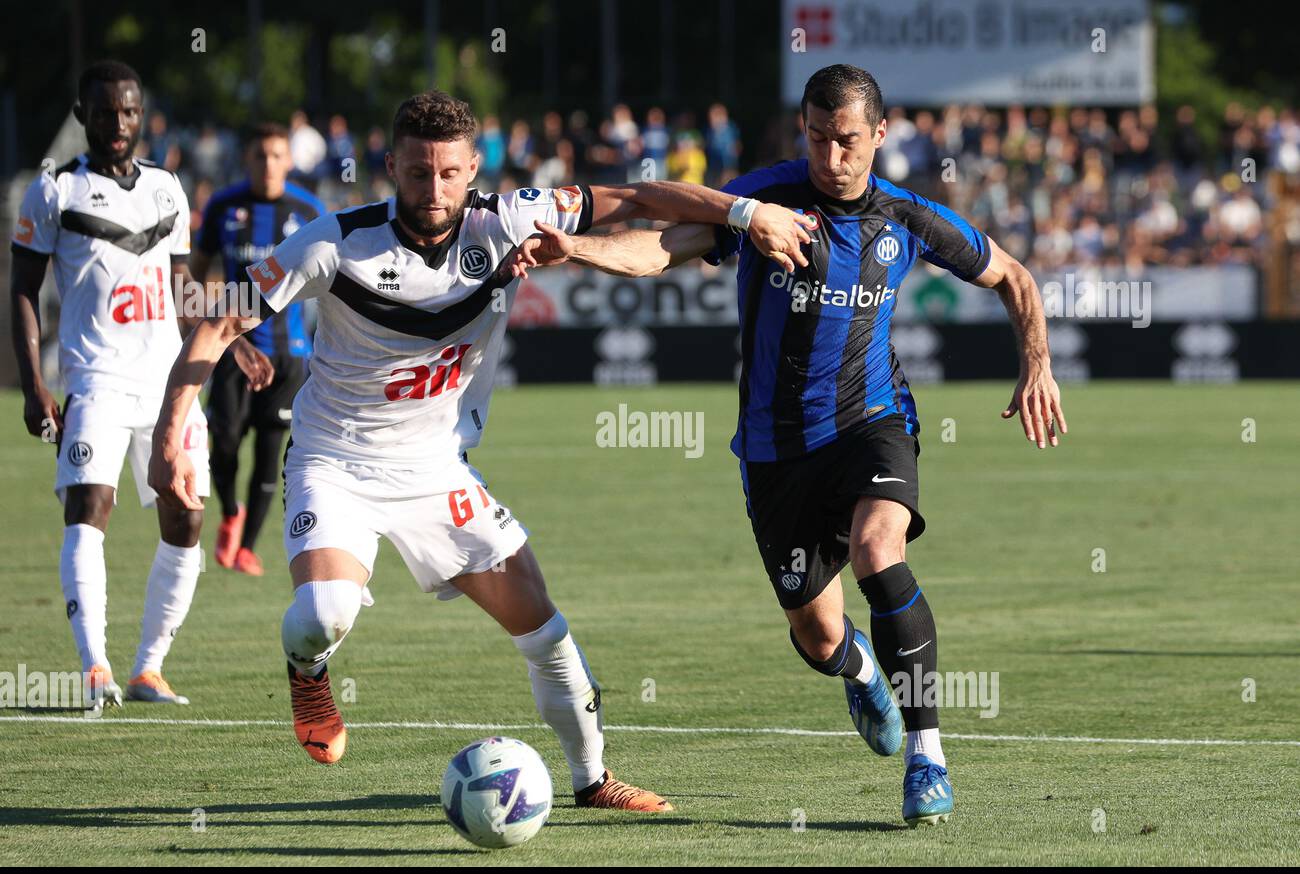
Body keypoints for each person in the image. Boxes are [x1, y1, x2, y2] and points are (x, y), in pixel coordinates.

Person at [148, 90, 813, 809]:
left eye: (447, 174)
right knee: (322, 616)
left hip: (436, 470)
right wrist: (170, 439)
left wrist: (747, 213)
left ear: (472, 171)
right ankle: (307, 671)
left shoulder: (510, 218)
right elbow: (216, 324)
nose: (430, 190)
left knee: (545, 628)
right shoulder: (331, 242)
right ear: (391, 167)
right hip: (334, 463)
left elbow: (635, 197)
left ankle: (592, 781)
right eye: (414, 172)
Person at [510, 64, 1068, 826]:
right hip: (775, 453)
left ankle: (928, 755)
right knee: (816, 634)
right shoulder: (764, 200)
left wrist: (1037, 364)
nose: (830, 157)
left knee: (880, 552)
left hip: (874, 422)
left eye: (846, 141)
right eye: (815, 138)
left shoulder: (907, 217)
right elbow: (655, 246)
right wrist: (576, 249)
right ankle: (860, 667)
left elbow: (1014, 276)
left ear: (878, 134)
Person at [9, 60, 270, 708]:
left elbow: (183, 286)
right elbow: (20, 290)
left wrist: (230, 338)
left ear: (140, 112)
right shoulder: (52, 193)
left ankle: (147, 668)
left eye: (128, 111)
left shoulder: (166, 189)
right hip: (94, 377)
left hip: (168, 382)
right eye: (104, 112)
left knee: (186, 519)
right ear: (82, 116)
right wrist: (32, 385)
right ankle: (93, 667)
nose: (118, 124)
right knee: (88, 508)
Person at [190, 122, 326, 576]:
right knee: (224, 442)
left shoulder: (309, 211)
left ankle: (246, 548)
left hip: (289, 357)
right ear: (246, 160)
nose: (268, 164)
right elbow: (191, 274)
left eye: (275, 156)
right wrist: (214, 322)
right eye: (259, 155)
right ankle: (231, 511)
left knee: (271, 451)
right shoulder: (224, 206)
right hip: (233, 351)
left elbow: (334, 280)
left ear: (289, 161)